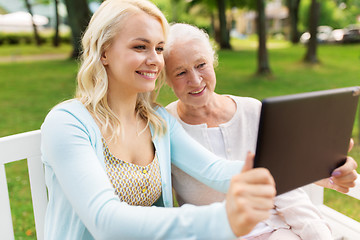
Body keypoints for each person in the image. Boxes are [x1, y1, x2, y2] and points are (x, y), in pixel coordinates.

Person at [40, 0, 278, 239]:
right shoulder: (67, 124)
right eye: (140, 47)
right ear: (104, 53)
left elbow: (214, 170)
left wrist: (275, 168)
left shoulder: (157, 121)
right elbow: (105, 220)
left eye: (160, 48)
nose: (155, 60)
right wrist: (223, 218)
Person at [163, 23, 358, 240]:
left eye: (201, 65)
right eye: (180, 72)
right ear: (166, 79)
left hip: (280, 230)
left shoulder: (252, 110)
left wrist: (319, 234)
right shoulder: (165, 127)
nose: (196, 80)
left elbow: (287, 189)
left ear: (213, 62)